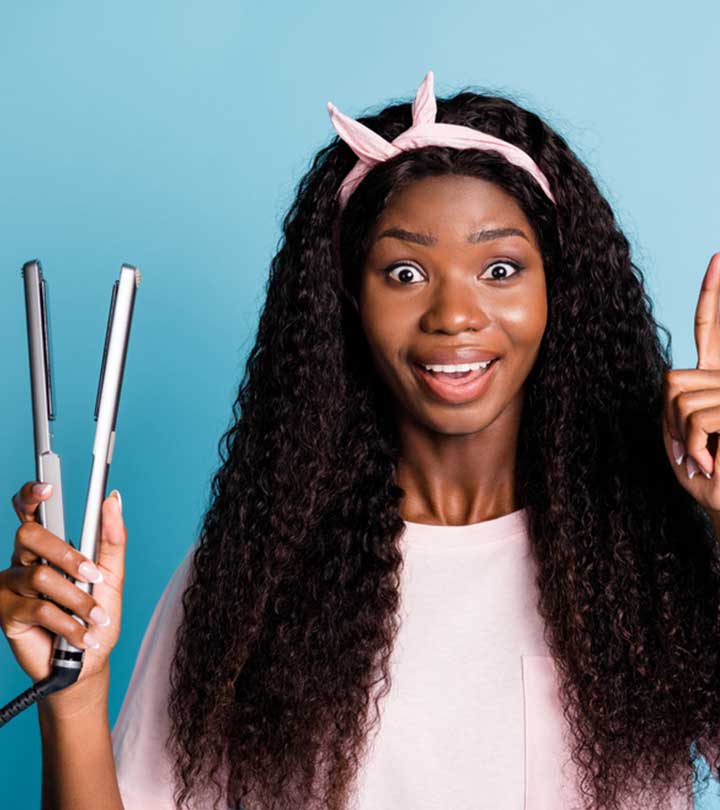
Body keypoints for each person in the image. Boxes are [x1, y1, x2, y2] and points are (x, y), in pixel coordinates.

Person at [3, 69, 720, 810]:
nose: (455, 315)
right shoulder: (250, 584)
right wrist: (75, 697)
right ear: (347, 302)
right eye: (404, 272)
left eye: (500, 268)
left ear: (558, 290)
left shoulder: (651, 565)